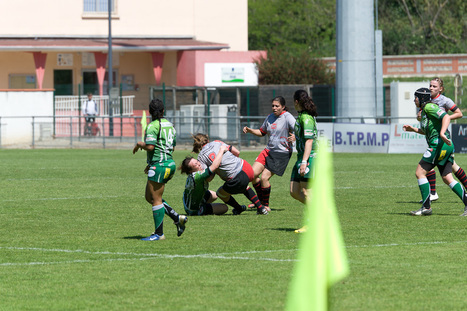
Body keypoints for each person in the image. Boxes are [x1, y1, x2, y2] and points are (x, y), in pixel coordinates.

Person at [403, 88, 467, 216]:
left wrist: (442, 133)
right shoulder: (424, 111)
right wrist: (414, 129)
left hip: (438, 145)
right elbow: (429, 130)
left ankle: (426, 207)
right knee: (447, 178)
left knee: (420, 172)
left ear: (421, 99)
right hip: (444, 146)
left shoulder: (429, 107)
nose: (414, 100)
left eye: (416, 97)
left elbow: (446, 117)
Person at [133, 99, 188, 241]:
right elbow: (172, 147)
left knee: (155, 199)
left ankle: (159, 234)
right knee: (149, 197)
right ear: (163, 111)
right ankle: (177, 218)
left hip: (160, 165)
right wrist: (151, 162)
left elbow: (150, 146)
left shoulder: (152, 126)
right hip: (168, 163)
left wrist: (140, 144)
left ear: (150, 112)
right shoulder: (171, 126)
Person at [192, 133, 269, 215]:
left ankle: (238, 208)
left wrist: (215, 170)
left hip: (236, 177)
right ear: (207, 140)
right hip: (246, 167)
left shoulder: (201, 157)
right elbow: (237, 152)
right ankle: (261, 208)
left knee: (220, 193)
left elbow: (209, 178)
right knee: (243, 186)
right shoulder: (217, 142)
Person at [242, 96, 296, 211]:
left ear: (283, 107)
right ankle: (260, 202)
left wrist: (295, 136)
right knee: (252, 175)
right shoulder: (270, 117)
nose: (274, 108)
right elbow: (262, 132)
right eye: (273, 106)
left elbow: (299, 128)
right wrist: (250, 130)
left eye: (277, 106)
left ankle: (265, 205)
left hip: (281, 153)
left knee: (264, 178)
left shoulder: (287, 117)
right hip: (268, 151)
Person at [418, 77, 466, 203]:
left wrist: (445, 117)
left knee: (449, 168)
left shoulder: (444, 100)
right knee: (447, 170)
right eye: (430, 85)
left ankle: (433, 194)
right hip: (432, 137)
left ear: (441, 89)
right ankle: (433, 193)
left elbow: (459, 113)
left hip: (442, 138)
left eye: (434, 86)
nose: (431, 88)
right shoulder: (425, 99)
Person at [290, 90, 319, 233]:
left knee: (307, 192)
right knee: (294, 191)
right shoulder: (301, 116)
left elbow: (309, 141)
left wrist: (304, 161)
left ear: (296, 102)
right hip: (300, 156)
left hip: (309, 157)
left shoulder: (306, 118)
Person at [180, 145, 230, 216]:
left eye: (197, 162)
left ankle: (201, 203)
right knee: (224, 208)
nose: (199, 164)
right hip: (193, 209)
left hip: (188, 203)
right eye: (196, 165)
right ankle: (201, 209)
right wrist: (221, 150)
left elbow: (209, 178)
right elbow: (214, 167)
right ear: (191, 171)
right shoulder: (197, 176)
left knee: (215, 195)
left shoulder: (193, 175)